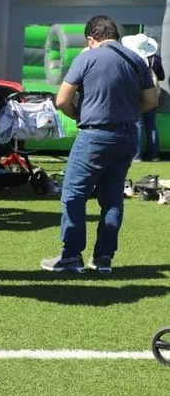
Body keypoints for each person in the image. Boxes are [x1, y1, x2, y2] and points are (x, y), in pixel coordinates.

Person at [42, 15, 159, 274]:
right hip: (128, 135)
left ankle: (71, 256)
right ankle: (103, 259)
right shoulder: (137, 60)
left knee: (73, 195)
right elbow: (151, 100)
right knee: (112, 198)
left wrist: (80, 116)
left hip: (94, 135)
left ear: (91, 39)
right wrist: (127, 112)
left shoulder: (86, 57)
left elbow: (62, 100)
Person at [122, 33, 164, 162]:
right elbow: (161, 76)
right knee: (151, 125)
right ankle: (154, 155)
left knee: (138, 124)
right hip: (152, 93)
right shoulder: (155, 59)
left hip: (136, 94)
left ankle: (136, 156)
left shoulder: (131, 58)